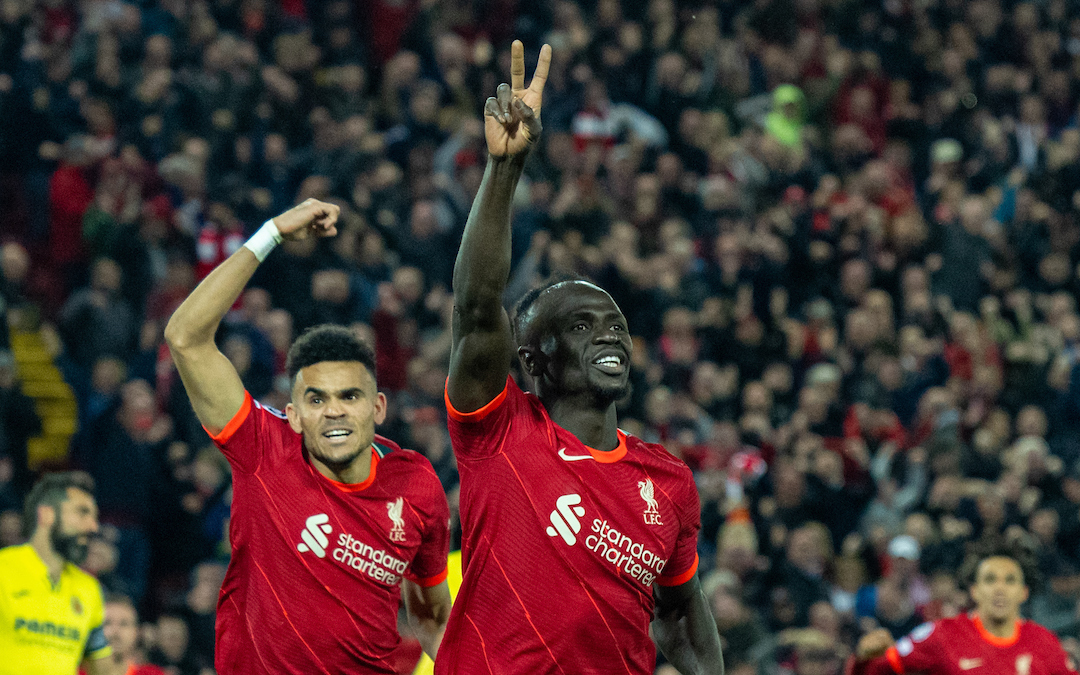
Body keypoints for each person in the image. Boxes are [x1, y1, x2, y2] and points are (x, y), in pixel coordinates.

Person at [437, 40, 724, 674]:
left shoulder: (667, 481)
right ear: (533, 359)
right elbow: (478, 307)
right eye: (582, 326)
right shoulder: (500, 430)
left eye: (618, 327)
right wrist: (504, 169)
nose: (611, 337)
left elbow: (680, 615)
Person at [164, 199, 452, 674]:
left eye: (350, 397)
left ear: (378, 408)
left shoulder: (417, 485)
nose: (334, 410)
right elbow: (186, 338)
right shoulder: (263, 449)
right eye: (316, 400)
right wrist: (270, 233)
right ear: (295, 415)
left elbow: (431, 615)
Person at [850, 543, 1077, 675]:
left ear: (1023, 592)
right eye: (990, 580)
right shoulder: (942, 635)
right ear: (975, 590)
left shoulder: (1044, 642)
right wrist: (863, 658)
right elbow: (877, 669)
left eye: (1009, 581)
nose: (1000, 589)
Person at [0, 471, 116, 675]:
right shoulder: (3, 568)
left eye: (94, 517)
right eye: (82, 512)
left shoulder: (90, 589)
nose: (92, 526)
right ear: (46, 515)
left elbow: (102, 669)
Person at [100, 594, 166, 675]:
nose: (115, 631)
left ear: (136, 632)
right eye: (107, 623)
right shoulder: (80, 671)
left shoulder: (153, 674)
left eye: (124, 624)